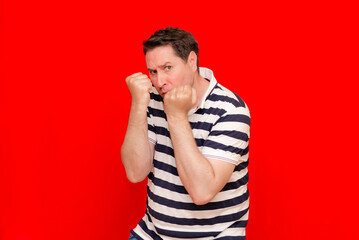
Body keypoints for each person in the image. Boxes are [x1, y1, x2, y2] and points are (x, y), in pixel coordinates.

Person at [121, 27, 250, 240]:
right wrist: (137, 104)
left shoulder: (231, 110)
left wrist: (176, 115)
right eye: (153, 71)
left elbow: (201, 192)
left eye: (167, 67)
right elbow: (135, 173)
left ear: (192, 61)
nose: (159, 81)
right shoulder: (154, 97)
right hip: (153, 233)